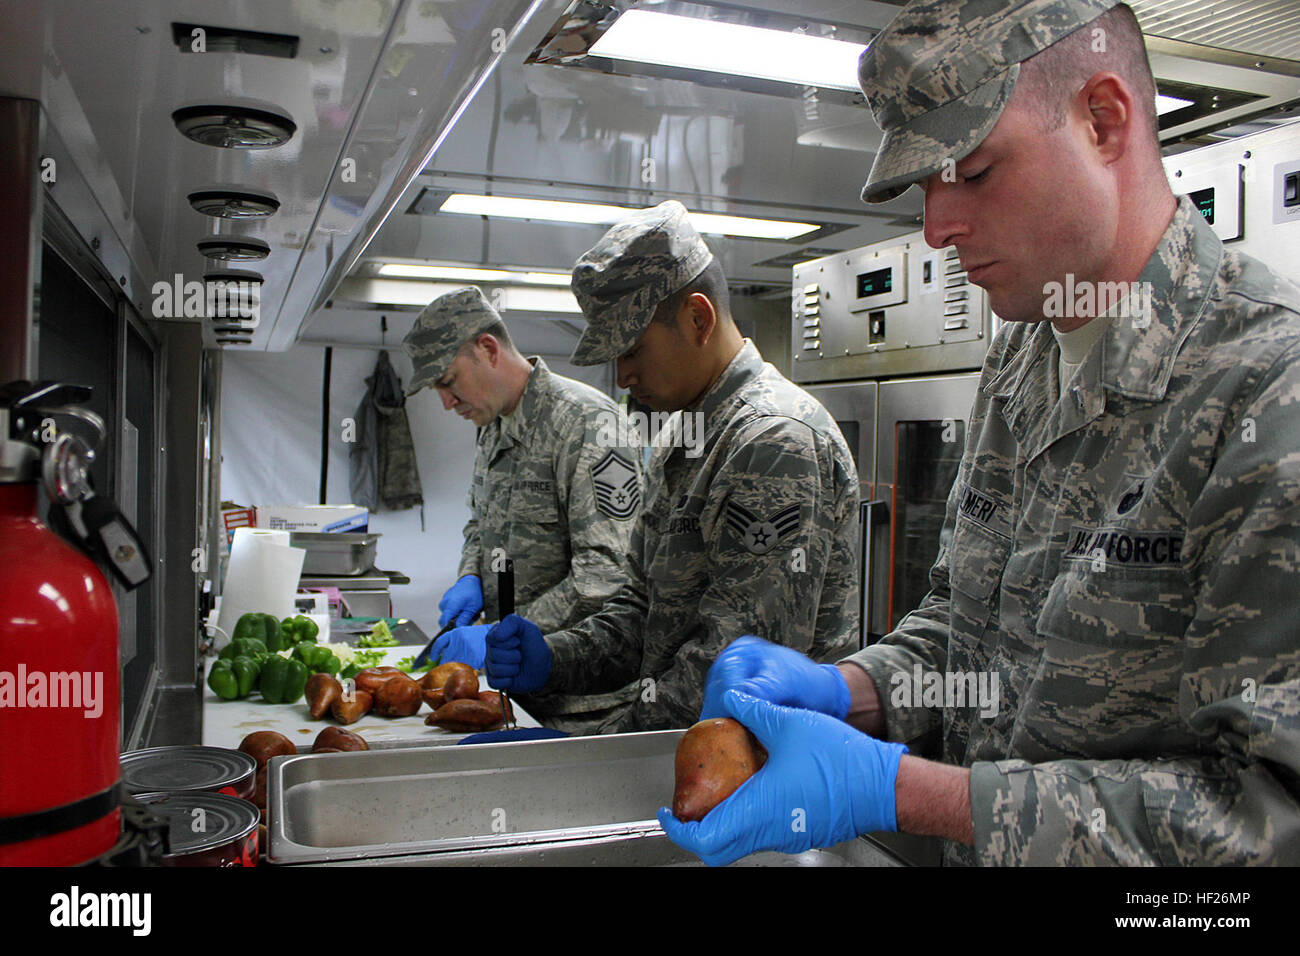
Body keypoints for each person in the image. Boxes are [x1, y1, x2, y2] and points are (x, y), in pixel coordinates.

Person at [660, 0, 1300, 866]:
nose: (936, 226)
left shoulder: (1266, 385)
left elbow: (1268, 822)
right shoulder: (1023, 357)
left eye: (973, 170)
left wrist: (901, 792)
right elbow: (974, 640)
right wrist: (847, 690)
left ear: (1103, 122)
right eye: (924, 187)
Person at [484, 200, 860, 732]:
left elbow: (730, 670)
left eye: (632, 350)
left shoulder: (774, 440)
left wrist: (585, 756)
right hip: (675, 758)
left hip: (752, 778)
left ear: (698, 318)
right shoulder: (683, 438)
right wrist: (552, 657)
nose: (622, 376)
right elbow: (643, 611)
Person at [402, 286, 642, 734]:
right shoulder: (493, 428)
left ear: (488, 349)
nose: (446, 402)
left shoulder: (588, 424)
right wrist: (470, 574)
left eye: (449, 382)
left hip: (584, 707)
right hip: (515, 693)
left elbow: (606, 574)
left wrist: (502, 633)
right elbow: (480, 523)